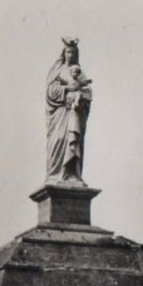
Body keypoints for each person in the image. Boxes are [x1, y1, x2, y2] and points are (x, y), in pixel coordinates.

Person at [45, 39, 92, 183]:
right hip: (60, 115)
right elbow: (50, 91)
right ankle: (56, 174)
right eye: (67, 51)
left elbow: (88, 92)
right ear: (64, 53)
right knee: (59, 140)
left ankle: (73, 174)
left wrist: (81, 98)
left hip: (74, 114)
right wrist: (67, 89)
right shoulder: (57, 70)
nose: (70, 54)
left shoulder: (80, 72)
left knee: (74, 142)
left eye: (72, 52)